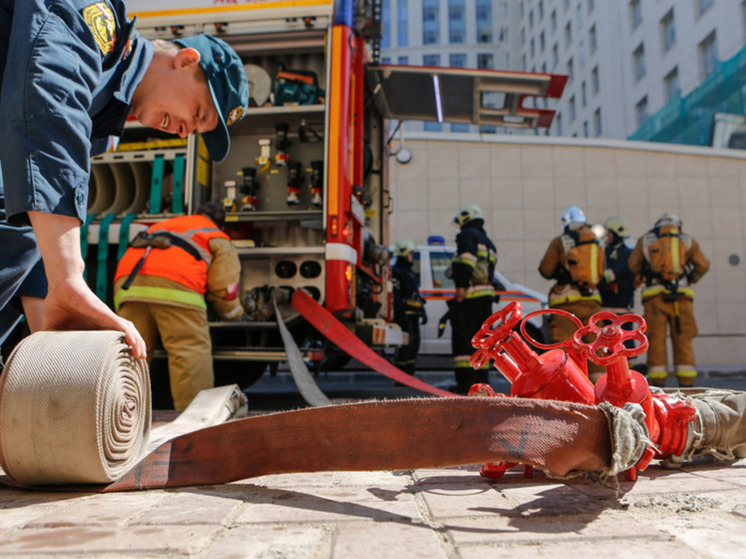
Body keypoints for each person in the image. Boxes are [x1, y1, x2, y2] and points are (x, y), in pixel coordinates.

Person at [0, 0, 250, 359]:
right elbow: (48, 101)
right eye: (197, 113)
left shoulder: (100, 122)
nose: (183, 132)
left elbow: (21, 212)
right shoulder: (93, 18)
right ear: (186, 60)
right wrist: (68, 278)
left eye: (194, 131)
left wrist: (49, 340)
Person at [113, 202, 244, 410]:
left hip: (128, 287)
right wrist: (234, 313)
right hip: (177, 291)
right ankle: (192, 419)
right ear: (222, 225)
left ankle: (118, 412)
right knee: (188, 351)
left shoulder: (166, 224)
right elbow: (223, 287)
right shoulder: (216, 236)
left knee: (132, 354)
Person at [628, 213, 710, 388]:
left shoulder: (646, 240)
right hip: (682, 296)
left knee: (656, 339)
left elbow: (633, 265)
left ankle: (659, 384)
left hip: (654, 296)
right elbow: (703, 265)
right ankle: (687, 384)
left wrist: (645, 274)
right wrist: (691, 278)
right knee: (683, 338)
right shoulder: (688, 241)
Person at [538, 205, 606, 382]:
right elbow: (601, 272)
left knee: (567, 347)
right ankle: (598, 390)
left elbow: (546, 270)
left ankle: (570, 387)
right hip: (593, 303)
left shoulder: (560, 241)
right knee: (595, 349)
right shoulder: (596, 243)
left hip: (567, 303)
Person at [449, 205, 497, 394]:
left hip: (470, 296)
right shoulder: (488, 241)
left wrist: (460, 286)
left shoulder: (467, 236)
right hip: (486, 297)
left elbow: (466, 261)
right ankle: (481, 383)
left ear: (465, 218)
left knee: (463, 340)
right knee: (482, 340)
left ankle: (464, 384)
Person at [391, 240, 426, 376]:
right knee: (406, 345)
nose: (412, 256)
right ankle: (400, 375)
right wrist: (401, 315)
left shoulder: (410, 273)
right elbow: (396, 296)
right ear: (403, 253)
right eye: (410, 253)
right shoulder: (396, 271)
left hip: (414, 314)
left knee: (415, 343)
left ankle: (410, 375)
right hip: (404, 315)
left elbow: (415, 294)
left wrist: (422, 311)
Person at [599, 216, 635, 314]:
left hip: (622, 307)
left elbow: (612, 274)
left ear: (617, 234)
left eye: (610, 233)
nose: (607, 235)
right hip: (604, 307)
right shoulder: (605, 251)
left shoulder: (627, 254)